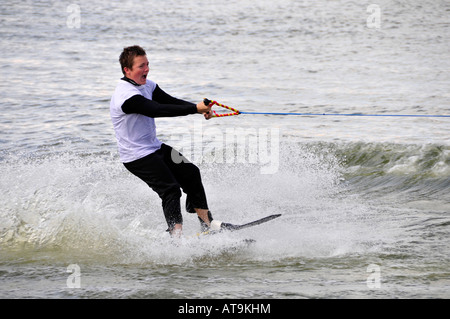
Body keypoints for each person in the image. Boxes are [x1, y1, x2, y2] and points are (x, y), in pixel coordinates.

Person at [110, 45, 230, 236]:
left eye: (147, 64)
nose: (146, 69)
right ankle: (176, 238)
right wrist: (195, 109)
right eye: (141, 66)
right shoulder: (126, 96)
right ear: (127, 70)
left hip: (154, 148)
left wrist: (198, 109)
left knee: (191, 173)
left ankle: (208, 225)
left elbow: (169, 101)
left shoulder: (147, 85)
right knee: (171, 189)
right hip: (136, 156)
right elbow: (157, 109)